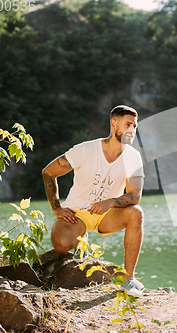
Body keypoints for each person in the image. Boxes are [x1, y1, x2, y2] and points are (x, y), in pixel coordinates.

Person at [42, 105, 145, 297]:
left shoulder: (133, 157)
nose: (132, 130)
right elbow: (49, 172)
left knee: (136, 212)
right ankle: (81, 237)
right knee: (61, 245)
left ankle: (128, 278)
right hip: (76, 213)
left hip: (107, 215)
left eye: (135, 126)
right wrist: (56, 208)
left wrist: (110, 202)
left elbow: (134, 196)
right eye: (128, 124)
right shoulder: (85, 150)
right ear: (114, 124)